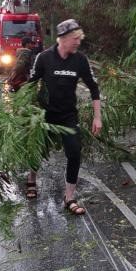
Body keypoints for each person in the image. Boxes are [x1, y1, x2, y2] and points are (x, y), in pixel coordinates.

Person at [27, 19, 102, 214]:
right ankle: (31, 180)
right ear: (63, 38)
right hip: (45, 115)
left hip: (68, 116)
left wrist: (97, 117)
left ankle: (69, 198)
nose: (78, 42)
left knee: (74, 153)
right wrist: (26, 110)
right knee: (38, 151)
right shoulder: (43, 58)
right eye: (75, 39)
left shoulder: (80, 60)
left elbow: (94, 88)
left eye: (80, 39)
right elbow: (30, 85)